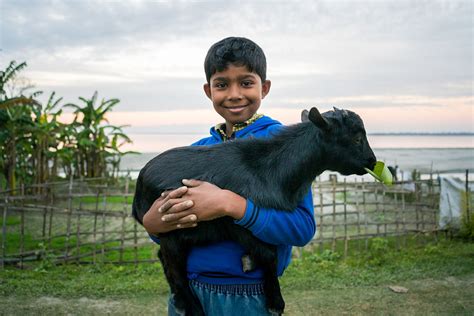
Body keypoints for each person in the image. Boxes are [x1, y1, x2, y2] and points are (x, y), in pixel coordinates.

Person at [142, 37, 316, 316]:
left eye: (246, 83)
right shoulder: (198, 152)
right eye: (222, 84)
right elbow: (171, 230)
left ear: (265, 87)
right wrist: (152, 224)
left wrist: (230, 204)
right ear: (208, 91)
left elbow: (302, 228)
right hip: (188, 293)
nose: (234, 94)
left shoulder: (284, 151)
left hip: (246, 295)